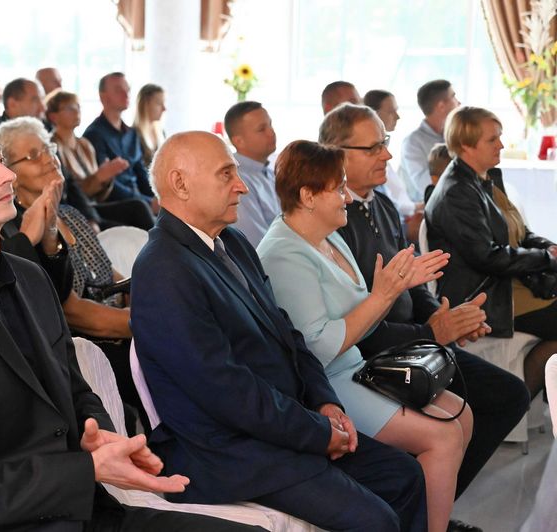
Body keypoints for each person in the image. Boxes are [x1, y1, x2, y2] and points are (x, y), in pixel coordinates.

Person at [0, 100, 259, 532]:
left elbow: (76, 390)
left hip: (82, 515)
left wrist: (101, 436)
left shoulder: (29, 277)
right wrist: (86, 469)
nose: (6, 175)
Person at [131, 130, 428, 532]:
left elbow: (287, 334)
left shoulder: (231, 243)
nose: (242, 186)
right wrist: (316, 433)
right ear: (180, 183)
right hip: (231, 452)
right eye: (226, 174)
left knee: (404, 475)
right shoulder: (164, 269)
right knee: (376, 521)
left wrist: (324, 401)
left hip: (282, 428)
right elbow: (225, 391)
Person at [322, 103, 529, 510]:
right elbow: (358, 326)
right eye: (373, 147)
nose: (387, 154)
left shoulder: (381, 203)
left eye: (385, 143)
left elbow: (411, 277)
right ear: (336, 153)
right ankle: (424, 508)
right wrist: (434, 332)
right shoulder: (333, 220)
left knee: (509, 395)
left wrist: (439, 314)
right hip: (372, 354)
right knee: (487, 404)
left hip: (412, 339)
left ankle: (436, 505)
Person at [257, 140, 469, 532]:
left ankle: (426, 520)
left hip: (357, 365)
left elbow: (362, 318)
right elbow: (318, 349)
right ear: (307, 196)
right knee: (442, 436)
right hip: (325, 385)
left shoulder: (329, 236)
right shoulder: (282, 254)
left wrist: (397, 286)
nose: (347, 197)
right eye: (338, 188)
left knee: (463, 415)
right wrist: (383, 295)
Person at [0, 116, 145, 433]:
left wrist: (139, 299)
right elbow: (71, 311)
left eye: (49, 148)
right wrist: (143, 324)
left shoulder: (70, 214)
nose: (49, 158)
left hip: (118, 327)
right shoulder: (17, 233)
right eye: (33, 155)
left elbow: (110, 277)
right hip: (86, 348)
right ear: (11, 175)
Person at [426, 106, 557, 399]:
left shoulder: (483, 179)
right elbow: (487, 257)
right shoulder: (457, 191)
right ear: (466, 145)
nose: (501, 145)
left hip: (508, 285)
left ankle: (526, 399)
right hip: (487, 296)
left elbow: (521, 233)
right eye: (492, 139)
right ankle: (514, 403)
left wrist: (549, 248)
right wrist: (547, 259)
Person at [47, 90, 154, 231]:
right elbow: (70, 194)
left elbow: (100, 195)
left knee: (138, 207)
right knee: (137, 209)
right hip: (75, 210)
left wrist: (106, 179)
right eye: (69, 108)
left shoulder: (84, 144)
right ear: (53, 116)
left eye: (78, 106)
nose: (76, 111)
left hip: (94, 205)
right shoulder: (52, 147)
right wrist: (99, 177)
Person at [83, 72, 157, 212]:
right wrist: (148, 202)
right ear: (103, 97)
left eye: (127, 89)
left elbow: (141, 174)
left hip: (139, 202)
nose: (126, 94)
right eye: (118, 90)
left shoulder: (132, 133)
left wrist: (158, 197)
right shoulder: (94, 134)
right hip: (115, 206)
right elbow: (107, 185)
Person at [364, 89, 422, 243]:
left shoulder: (382, 159)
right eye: (391, 111)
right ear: (375, 114)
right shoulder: (370, 167)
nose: (397, 116)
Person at [225, 101, 280, 247]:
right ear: (239, 141)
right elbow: (256, 243)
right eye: (262, 129)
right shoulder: (237, 180)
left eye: (270, 125)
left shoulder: (269, 172)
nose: (271, 132)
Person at [400, 80, 460, 202]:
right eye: (453, 97)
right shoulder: (413, 143)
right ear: (441, 106)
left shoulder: (456, 136)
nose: (459, 102)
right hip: (428, 208)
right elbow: (425, 185)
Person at [133, 83, 166, 168]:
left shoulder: (161, 132)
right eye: (159, 103)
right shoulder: (133, 135)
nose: (164, 109)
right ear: (145, 104)